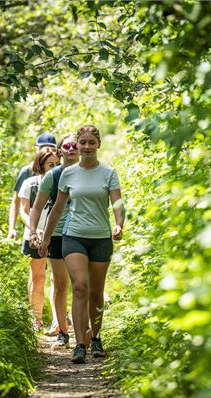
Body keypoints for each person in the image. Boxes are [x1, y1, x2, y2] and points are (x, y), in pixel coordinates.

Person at [38, 125, 125, 364]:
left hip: (100, 238)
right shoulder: (68, 173)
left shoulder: (108, 172)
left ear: (98, 145)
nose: (86, 147)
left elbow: (117, 203)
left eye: (91, 143)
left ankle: (95, 338)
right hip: (73, 235)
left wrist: (119, 224)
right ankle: (79, 344)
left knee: (96, 292)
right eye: (82, 143)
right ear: (76, 145)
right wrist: (45, 238)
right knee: (80, 287)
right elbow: (56, 209)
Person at [29, 133, 80, 349]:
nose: (71, 148)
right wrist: (34, 231)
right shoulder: (53, 175)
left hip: (81, 232)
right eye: (67, 145)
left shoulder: (90, 173)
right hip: (57, 233)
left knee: (81, 285)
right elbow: (37, 207)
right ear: (59, 151)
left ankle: (84, 332)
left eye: (74, 145)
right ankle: (62, 332)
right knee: (60, 284)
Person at [7, 133, 58, 330]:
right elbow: (20, 207)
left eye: (55, 162)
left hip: (57, 235)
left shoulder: (62, 179)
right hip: (34, 235)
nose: (53, 165)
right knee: (38, 277)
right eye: (49, 163)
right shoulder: (27, 178)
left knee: (56, 278)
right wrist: (26, 230)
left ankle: (57, 320)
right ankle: (36, 319)